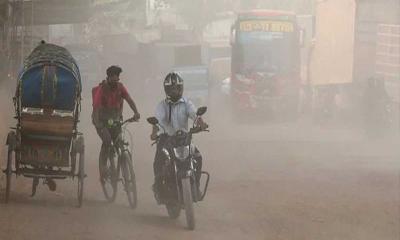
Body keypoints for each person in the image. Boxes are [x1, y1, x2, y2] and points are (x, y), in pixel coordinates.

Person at [150, 72, 208, 202]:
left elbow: (195, 115)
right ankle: (159, 189)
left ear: (181, 88)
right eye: (172, 88)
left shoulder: (186, 103)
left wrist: (201, 123)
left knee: (198, 157)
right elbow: (157, 122)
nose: (175, 91)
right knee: (158, 161)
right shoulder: (162, 105)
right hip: (166, 138)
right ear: (167, 89)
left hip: (184, 138)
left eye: (177, 88)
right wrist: (154, 133)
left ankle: (196, 186)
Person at [92, 65, 140, 177]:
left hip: (116, 121)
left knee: (119, 143)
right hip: (101, 121)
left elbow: (129, 100)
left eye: (117, 77)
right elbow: (96, 108)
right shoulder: (101, 90)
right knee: (107, 141)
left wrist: (136, 112)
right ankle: (103, 167)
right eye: (113, 77)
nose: (115, 80)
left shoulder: (120, 87)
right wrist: (98, 123)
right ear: (108, 77)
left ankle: (125, 166)